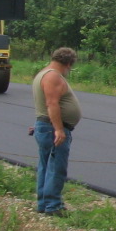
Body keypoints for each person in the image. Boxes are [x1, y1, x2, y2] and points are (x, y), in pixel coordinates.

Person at [31, 47, 81, 216]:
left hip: (46, 126)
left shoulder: (43, 73)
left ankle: (43, 204)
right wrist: (58, 129)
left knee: (45, 166)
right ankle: (53, 206)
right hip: (53, 129)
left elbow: (42, 104)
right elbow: (51, 104)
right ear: (68, 63)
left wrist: (41, 124)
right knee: (56, 168)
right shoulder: (53, 76)